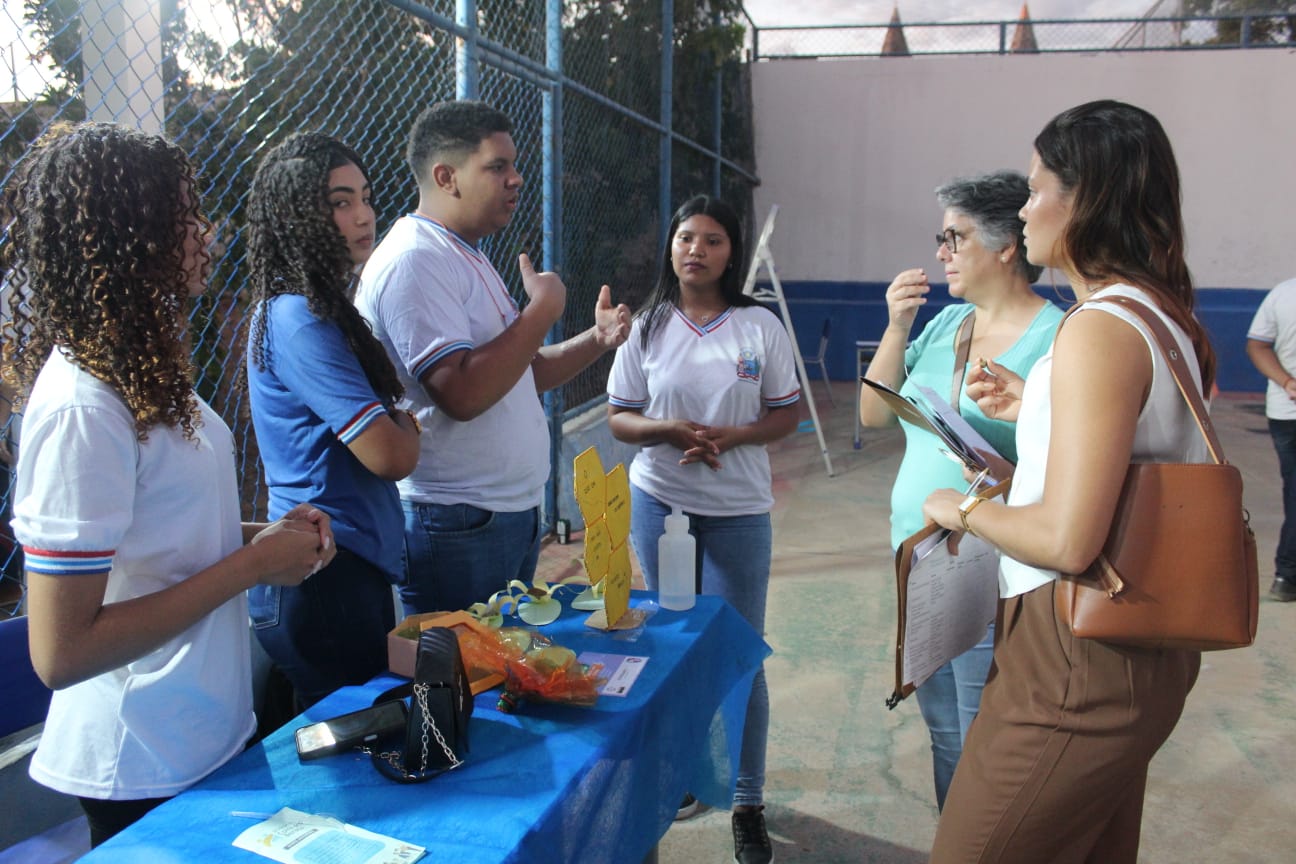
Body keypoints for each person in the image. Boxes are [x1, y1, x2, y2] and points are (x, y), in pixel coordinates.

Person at [2, 122, 335, 847]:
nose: (205, 233)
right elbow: (62, 652)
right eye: (185, 215)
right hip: (140, 765)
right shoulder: (84, 407)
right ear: (131, 233)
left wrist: (267, 541)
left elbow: (158, 541)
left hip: (203, 736)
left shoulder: (143, 368)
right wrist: (252, 566)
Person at [921, 100, 1214, 863]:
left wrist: (964, 508)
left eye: (1036, 186)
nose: (1024, 209)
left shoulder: (1099, 328)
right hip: (1132, 641)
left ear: (1087, 200)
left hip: (1077, 653)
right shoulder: (1160, 315)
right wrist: (1033, 426)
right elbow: (1116, 481)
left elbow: (1066, 538)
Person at [355, 99, 630, 616]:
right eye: (497, 166)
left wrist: (595, 339)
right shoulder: (417, 260)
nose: (516, 179)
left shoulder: (462, 253)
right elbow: (462, 393)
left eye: (515, 166)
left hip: (496, 517)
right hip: (457, 523)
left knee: (499, 676)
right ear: (446, 177)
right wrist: (543, 309)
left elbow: (520, 373)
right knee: (461, 685)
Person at [858, 170, 1062, 811]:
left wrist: (1014, 418)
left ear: (1007, 246)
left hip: (989, 563)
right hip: (918, 556)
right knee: (947, 735)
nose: (942, 252)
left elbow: (1068, 459)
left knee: (983, 736)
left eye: (956, 236)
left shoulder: (1057, 335)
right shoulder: (945, 325)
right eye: (940, 237)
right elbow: (872, 417)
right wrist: (897, 327)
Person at [606, 195, 799, 864]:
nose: (696, 250)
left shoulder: (758, 327)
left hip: (739, 511)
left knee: (739, 651)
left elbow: (786, 413)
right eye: (685, 237)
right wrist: (667, 431)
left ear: (731, 252)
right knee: (676, 643)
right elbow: (620, 416)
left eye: (712, 240)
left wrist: (734, 436)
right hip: (661, 502)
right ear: (671, 247)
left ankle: (747, 801)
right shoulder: (649, 326)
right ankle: (688, 780)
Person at [244, 133, 421, 708]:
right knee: (353, 757)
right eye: (340, 202)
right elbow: (391, 455)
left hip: (338, 569)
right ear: (299, 216)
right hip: (322, 576)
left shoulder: (310, 310)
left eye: (365, 197)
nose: (363, 214)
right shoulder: (298, 322)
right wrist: (407, 431)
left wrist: (399, 426)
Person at [1245, 276, 1296, 602]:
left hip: (1285, 412)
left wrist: (1286, 382)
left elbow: (1257, 344)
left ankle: (1286, 576)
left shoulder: (1284, 292)